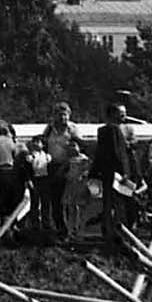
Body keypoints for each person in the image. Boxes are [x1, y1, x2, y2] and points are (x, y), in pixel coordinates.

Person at [89, 101, 139, 252]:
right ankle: (118, 234)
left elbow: (100, 153)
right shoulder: (114, 130)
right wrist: (124, 172)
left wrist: (95, 170)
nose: (124, 115)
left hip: (108, 173)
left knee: (109, 203)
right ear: (113, 114)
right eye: (121, 112)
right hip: (117, 174)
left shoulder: (103, 130)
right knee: (120, 204)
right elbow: (118, 154)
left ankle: (110, 232)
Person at [36, 102, 83, 243]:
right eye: (59, 114)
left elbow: (79, 147)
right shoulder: (50, 128)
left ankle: (72, 230)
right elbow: (43, 144)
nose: (62, 117)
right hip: (52, 166)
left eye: (65, 114)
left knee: (69, 201)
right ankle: (60, 229)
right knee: (55, 200)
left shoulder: (73, 129)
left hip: (69, 166)